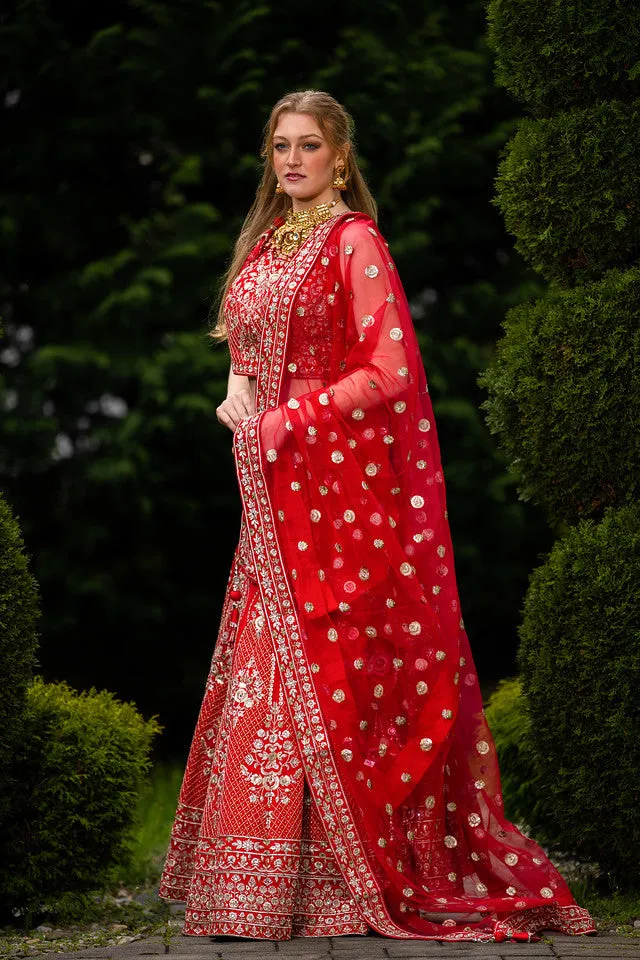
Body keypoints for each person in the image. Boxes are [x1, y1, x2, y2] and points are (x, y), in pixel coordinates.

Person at [158, 90, 595, 942]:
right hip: (271, 491)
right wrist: (238, 398)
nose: (292, 160)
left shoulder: (355, 243)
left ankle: (344, 885)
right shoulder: (266, 245)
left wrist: (288, 419)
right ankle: (257, 891)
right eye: (280, 146)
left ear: (342, 158)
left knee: (339, 663)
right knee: (265, 660)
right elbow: (244, 354)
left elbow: (389, 371)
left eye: (309, 146)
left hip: (336, 492)